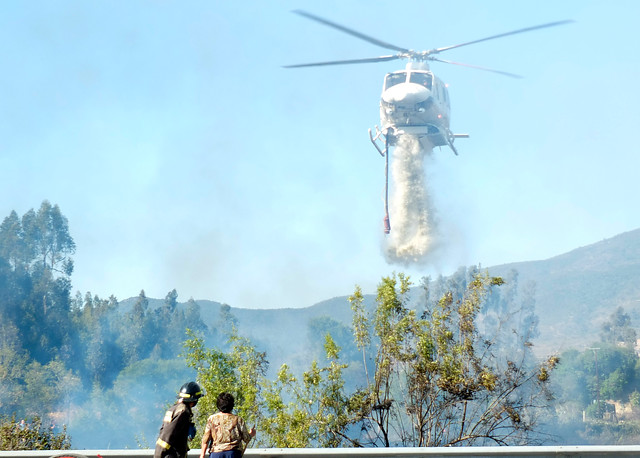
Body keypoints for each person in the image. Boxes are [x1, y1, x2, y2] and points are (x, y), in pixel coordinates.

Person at [155, 381, 204, 458]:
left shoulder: (173, 409)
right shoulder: (183, 412)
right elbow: (168, 435)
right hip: (172, 455)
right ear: (194, 400)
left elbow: (163, 431)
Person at [199, 392, 256, 458]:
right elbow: (246, 438)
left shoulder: (212, 419)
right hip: (233, 453)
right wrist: (251, 434)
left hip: (216, 453)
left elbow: (205, 440)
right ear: (232, 405)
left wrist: (202, 455)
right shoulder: (238, 420)